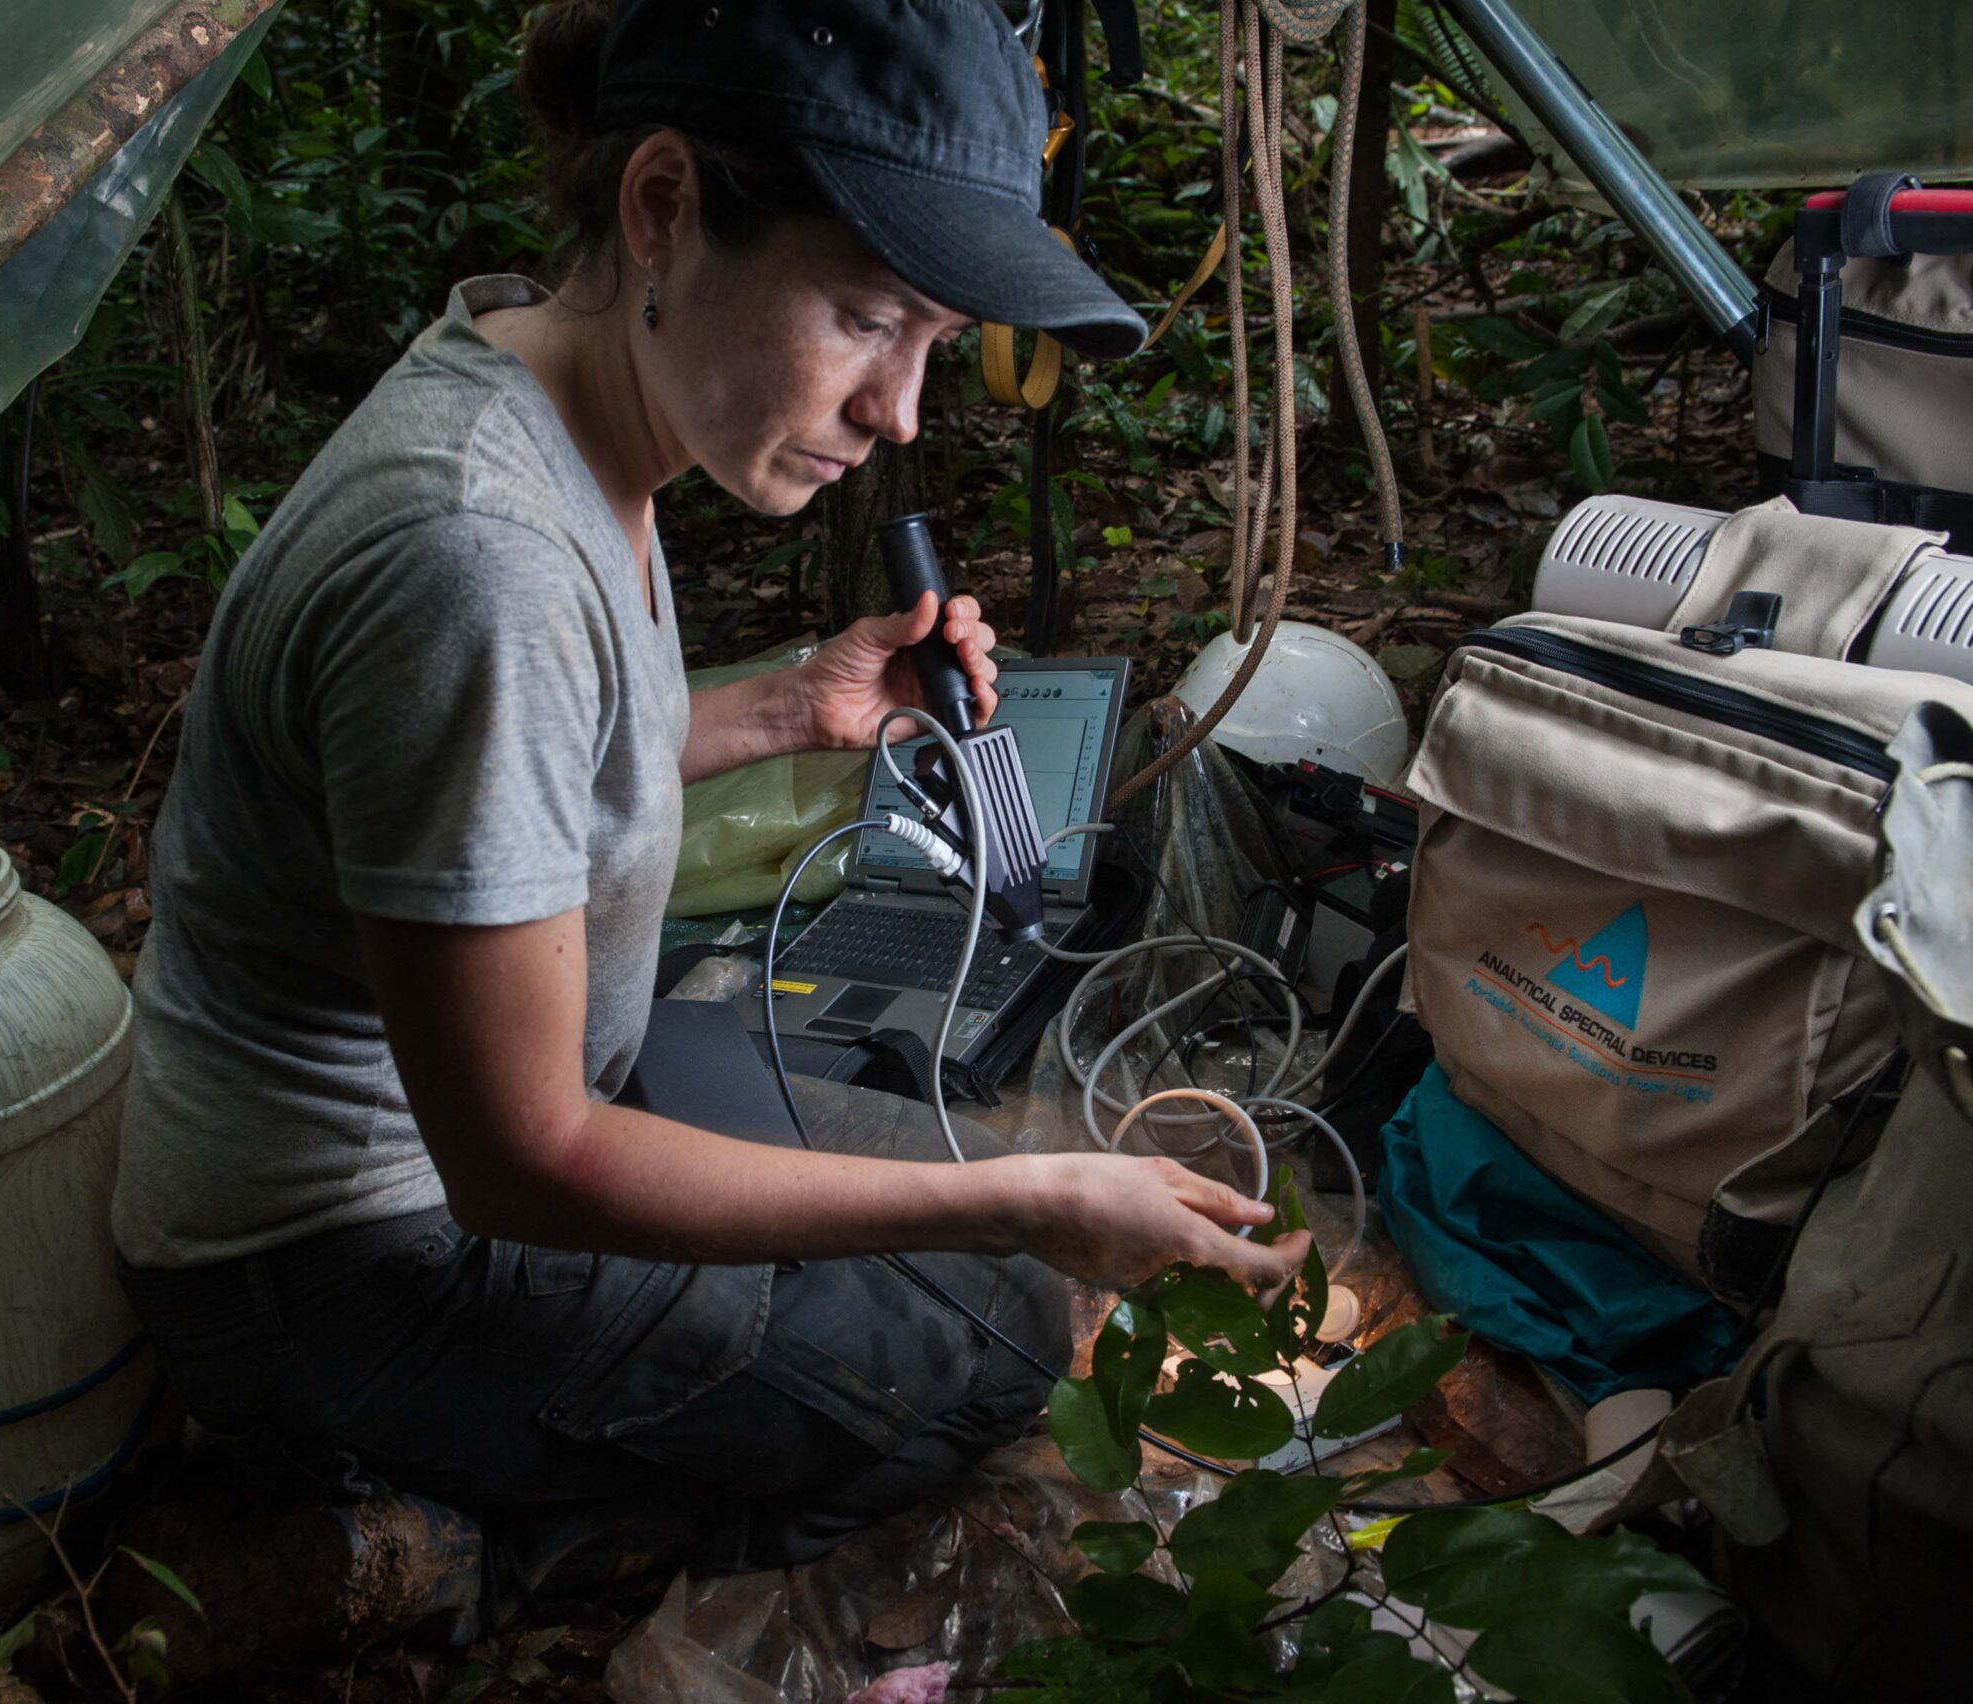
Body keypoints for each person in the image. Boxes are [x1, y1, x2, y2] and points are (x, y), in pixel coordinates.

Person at [109, 0, 1308, 1607]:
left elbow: (500, 786)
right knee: (989, 1348)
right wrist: (1025, 1202)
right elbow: (525, 1165)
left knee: (951, 1183)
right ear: (663, 204)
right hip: (338, 1266)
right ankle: (449, 1552)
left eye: (934, 345)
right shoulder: (478, 559)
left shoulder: (551, 391)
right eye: (868, 317)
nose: (901, 413)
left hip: (494, 1137)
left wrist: (791, 710)